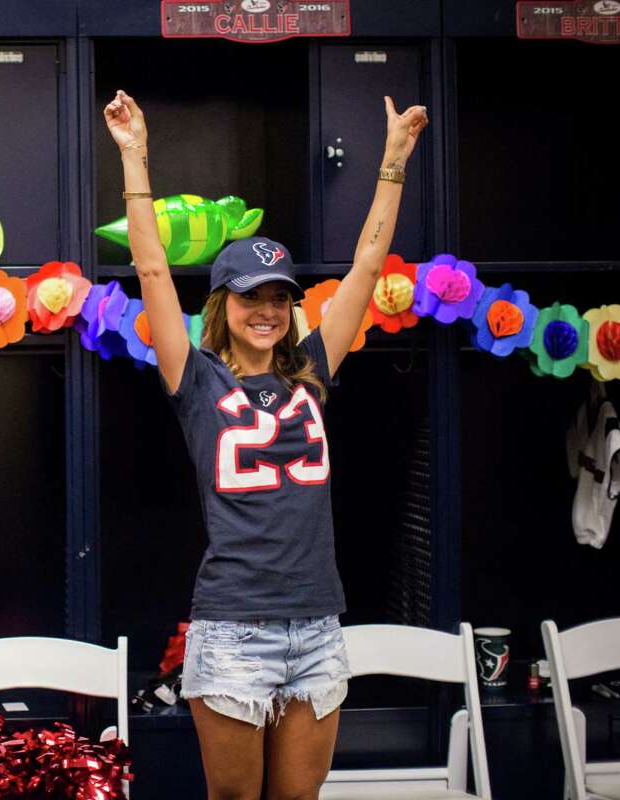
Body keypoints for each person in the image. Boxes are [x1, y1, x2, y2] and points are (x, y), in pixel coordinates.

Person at [104, 90, 427, 799]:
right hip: (232, 630)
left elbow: (368, 269)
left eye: (280, 297)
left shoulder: (311, 371)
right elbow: (153, 271)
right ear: (224, 304)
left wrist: (394, 162)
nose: (269, 310)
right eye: (252, 297)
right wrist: (135, 155)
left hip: (317, 625)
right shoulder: (195, 380)